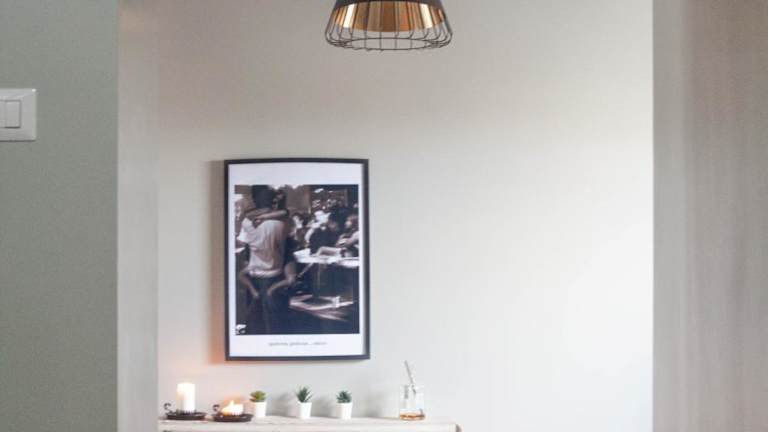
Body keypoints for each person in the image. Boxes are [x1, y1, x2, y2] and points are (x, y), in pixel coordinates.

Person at [237, 186, 289, 333]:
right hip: (276, 276)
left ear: (254, 199)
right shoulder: (282, 221)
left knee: (255, 320)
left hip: (255, 275)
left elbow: (243, 242)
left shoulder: (247, 222)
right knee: (275, 322)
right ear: (272, 199)